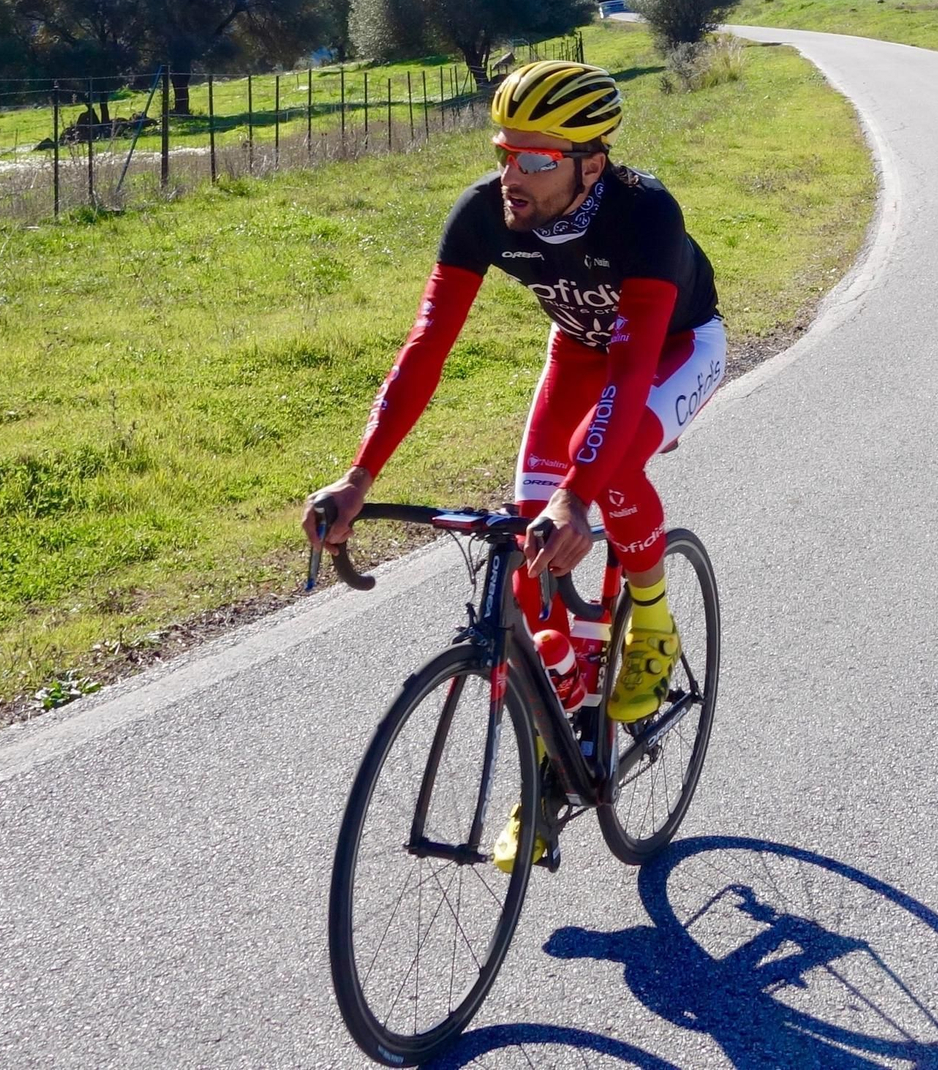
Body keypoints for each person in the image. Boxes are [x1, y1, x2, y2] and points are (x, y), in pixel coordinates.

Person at [301, 59, 725, 868]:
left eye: (535, 160)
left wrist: (579, 494)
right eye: (504, 153)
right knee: (529, 551)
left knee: (601, 463)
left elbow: (632, 371)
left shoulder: (645, 216)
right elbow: (426, 351)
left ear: (589, 164)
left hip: (671, 346)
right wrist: (359, 479)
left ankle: (656, 622)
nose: (511, 176)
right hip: (577, 350)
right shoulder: (483, 215)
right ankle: (553, 747)